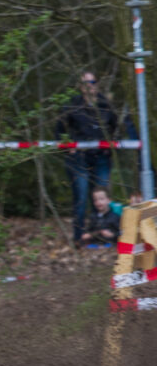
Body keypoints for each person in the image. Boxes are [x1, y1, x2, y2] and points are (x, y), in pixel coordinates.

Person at [56, 71, 119, 244]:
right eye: (85, 83)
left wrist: (111, 146)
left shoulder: (106, 105)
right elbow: (59, 128)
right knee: (81, 198)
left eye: (92, 82)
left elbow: (115, 128)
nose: (89, 86)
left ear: (97, 84)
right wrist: (66, 147)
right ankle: (79, 238)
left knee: (101, 199)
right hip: (79, 159)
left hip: (101, 158)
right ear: (80, 86)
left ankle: (102, 236)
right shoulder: (72, 105)